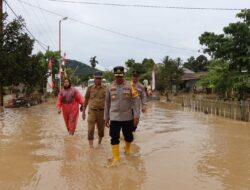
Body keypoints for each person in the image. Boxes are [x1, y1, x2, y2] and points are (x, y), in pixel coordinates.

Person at [104, 66, 140, 166]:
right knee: (114, 137)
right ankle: (116, 158)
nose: (118, 78)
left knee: (129, 136)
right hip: (114, 117)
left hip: (127, 116)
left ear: (123, 75)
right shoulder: (110, 87)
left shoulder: (130, 86)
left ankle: (127, 150)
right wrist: (106, 117)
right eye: (117, 77)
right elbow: (107, 103)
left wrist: (136, 116)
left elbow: (136, 101)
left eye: (120, 76)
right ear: (114, 76)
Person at [82, 71, 106, 148]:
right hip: (92, 111)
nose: (98, 80)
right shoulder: (90, 88)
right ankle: (91, 146)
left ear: (101, 79)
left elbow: (109, 102)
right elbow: (86, 99)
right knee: (90, 129)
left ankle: (99, 143)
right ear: (94, 78)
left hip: (102, 112)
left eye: (99, 78)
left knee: (101, 130)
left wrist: (109, 115)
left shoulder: (106, 88)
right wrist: (83, 111)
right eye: (96, 78)